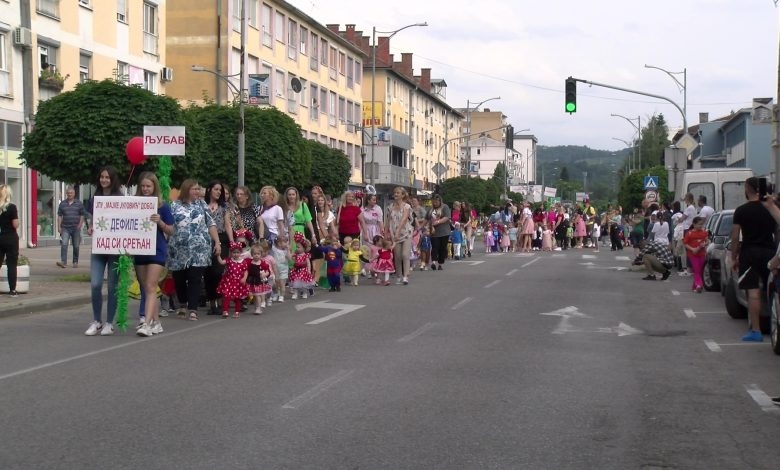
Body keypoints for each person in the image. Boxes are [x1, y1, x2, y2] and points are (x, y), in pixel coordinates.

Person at [729, 177, 777, 342]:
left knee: (753, 293)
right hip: (770, 252)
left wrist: (734, 257)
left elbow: (735, 237)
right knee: (774, 290)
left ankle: (756, 331)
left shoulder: (741, 211)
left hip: (749, 254)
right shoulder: (772, 208)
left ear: (747, 190)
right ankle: (775, 324)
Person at [168, 179, 221, 321]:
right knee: (179, 278)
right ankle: (183, 304)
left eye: (199, 189)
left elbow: (211, 224)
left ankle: (193, 309)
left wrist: (217, 242)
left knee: (195, 278)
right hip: (178, 249)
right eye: (195, 189)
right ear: (186, 190)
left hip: (199, 249)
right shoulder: (174, 205)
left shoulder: (202, 205)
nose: (198, 192)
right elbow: (168, 225)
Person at [134, 173, 175, 337]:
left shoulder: (162, 206)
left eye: (148, 186)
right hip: (140, 249)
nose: (145, 189)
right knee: (146, 287)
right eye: (143, 186)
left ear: (154, 187)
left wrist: (160, 222)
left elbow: (171, 230)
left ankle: (147, 322)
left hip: (157, 249)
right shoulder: (134, 204)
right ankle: (156, 322)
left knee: (151, 286)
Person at [85, 166, 124, 335]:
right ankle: (96, 320)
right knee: (95, 284)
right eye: (102, 177)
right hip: (99, 246)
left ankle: (109, 322)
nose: (104, 180)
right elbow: (94, 218)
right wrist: (91, 226)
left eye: (107, 177)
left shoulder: (120, 198)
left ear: (113, 179)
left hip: (115, 248)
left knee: (113, 286)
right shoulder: (96, 197)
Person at [203, 181, 233, 316]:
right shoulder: (202, 205)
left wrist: (232, 242)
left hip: (221, 239)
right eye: (216, 189)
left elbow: (227, 224)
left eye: (220, 190)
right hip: (205, 240)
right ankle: (212, 301)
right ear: (209, 190)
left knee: (218, 271)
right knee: (208, 272)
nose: (218, 192)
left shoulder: (224, 206)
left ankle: (221, 300)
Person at [386, 186, 413, 284]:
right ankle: (398, 276)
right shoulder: (390, 207)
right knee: (397, 256)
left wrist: (398, 231)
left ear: (402, 195)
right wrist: (386, 234)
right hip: (394, 234)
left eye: (398, 193)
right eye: (395, 193)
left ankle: (405, 276)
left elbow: (404, 219)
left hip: (406, 233)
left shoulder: (407, 206)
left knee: (405, 254)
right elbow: (388, 221)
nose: (396, 194)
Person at [216, 241, 250, 318]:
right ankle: (225, 311)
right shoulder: (229, 260)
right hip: (229, 281)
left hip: (238, 282)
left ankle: (237, 312)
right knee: (226, 296)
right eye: (234, 252)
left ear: (240, 253)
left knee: (237, 298)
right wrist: (218, 256)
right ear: (231, 253)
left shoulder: (243, 262)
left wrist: (244, 278)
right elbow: (221, 262)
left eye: (237, 252)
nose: (236, 254)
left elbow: (245, 271)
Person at [56, 186, 85, 268]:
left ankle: (75, 261)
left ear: (74, 194)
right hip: (65, 227)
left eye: (71, 193)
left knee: (76, 245)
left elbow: (82, 215)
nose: (70, 194)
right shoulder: (62, 204)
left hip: (76, 228)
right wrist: (59, 227)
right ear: (66, 194)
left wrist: (79, 225)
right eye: (68, 193)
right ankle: (63, 261)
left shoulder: (79, 204)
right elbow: (59, 216)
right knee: (64, 244)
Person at [0, 184, 20, 297]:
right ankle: (12, 290)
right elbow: (15, 224)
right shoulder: (11, 207)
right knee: (11, 264)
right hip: (10, 238)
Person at [683, 216, 709, 293]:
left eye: (702, 224)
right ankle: (699, 285)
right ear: (694, 224)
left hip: (702, 254)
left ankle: (695, 285)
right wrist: (692, 249)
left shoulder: (704, 232)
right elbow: (685, 243)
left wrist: (705, 244)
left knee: (700, 270)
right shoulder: (689, 233)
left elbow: (707, 240)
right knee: (696, 269)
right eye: (699, 224)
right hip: (692, 254)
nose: (700, 226)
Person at [246, 242, 272, 315]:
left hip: (259, 281)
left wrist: (265, 274)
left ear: (261, 255)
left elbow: (268, 271)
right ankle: (256, 307)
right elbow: (245, 268)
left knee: (258, 295)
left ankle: (259, 308)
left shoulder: (262, 263)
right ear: (252, 254)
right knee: (254, 295)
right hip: (252, 281)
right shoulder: (249, 262)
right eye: (255, 254)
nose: (256, 256)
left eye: (258, 254)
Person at [426, 194, 451, 270]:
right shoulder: (431, 209)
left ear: (440, 201)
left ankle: (440, 264)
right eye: (434, 201)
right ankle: (433, 262)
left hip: (444, 231)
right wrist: (421, 227)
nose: (435, 203)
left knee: (442, 248)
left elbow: (447, 217)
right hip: (434, 232)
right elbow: (426, 219)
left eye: (437, 201)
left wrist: (438, 221)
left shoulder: (445, 207)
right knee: (434, 247)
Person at [289, 234, 313, 299]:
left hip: (303, 270)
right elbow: (291, 258)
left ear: (304, 248)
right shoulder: (296, 254)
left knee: (304, 283)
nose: (297, 248)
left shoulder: (306, 255)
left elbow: (308, 263)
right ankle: (295, 293)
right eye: (296, 247)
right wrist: (290, 254)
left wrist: (309, 270)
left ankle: (305, 293)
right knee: (295, 282)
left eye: (298, 247)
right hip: (296, 270)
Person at [271, 236, 291, 302]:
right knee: (276, 282)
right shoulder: (275, 249)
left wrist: (288, 250)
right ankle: (277, 293)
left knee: (282, 283)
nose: (286, 244)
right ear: (279, 243)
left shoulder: (286, 251)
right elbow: (271, 244)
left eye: (286, 242)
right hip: (276, 269)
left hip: (284, 269)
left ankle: (282, 296)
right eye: (285, 242)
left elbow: (289, 259)